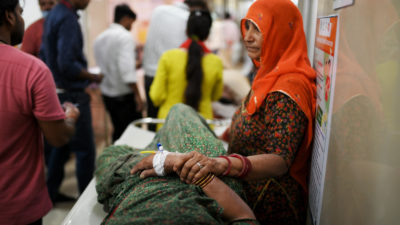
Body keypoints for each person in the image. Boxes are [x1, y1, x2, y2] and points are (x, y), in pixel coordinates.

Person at [131, 0, 317, 224]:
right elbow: (249, 120)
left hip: (265, 201)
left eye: (258, 29)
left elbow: (280, 161)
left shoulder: (288, 88)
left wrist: (221, 163)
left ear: (280, 32)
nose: (247, 36)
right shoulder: (267, 77)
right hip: (237, 177)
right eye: (246, 27)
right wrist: (213, 141)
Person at [96, 104, 258, 225]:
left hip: (137, 179)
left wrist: (170, 161)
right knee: (180, 111)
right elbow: (243, 216)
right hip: (212, 184)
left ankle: (155, 146)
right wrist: (196, 173)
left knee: (109, 155)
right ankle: (157, 146)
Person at [0, 1, 79, 224]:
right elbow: (58, 137)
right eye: (20, 13)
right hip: (17, 208)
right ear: (9, 17)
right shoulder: (31, 70)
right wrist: (70, 119)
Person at [41, 0, 102, 203]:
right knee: (84, 150)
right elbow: (66, 64)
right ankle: (86, 203)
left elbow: (49, 55)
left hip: (58, 91)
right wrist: (92, 77)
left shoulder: (54, 15)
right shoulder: (67, 19)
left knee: (62, 145)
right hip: (72, 95)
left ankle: (49, 195)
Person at [149, 10, 223, 130]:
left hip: (169, 126)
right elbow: (215, 96)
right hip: (203, 128)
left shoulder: (168, 57)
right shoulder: (216, 62)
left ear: (186, 31)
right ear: (207, 34)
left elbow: (156, 96)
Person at [142, 0, 207, 131]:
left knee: (153, 121)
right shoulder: (187, 19)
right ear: (197, 8)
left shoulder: (158, 10)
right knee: (175, 122)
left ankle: (154, 150)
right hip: (171, 74)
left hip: (149, 73)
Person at [94, 4, 143, 142]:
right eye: (131, 23)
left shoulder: (100, 38)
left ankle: (115, 161)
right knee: (132, 135)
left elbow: (111, 63)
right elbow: (127, 72)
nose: (131, 27)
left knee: (118, 131)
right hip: (124, 97)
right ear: (126, 19)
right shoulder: (125, 37)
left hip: (107, 94)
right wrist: (138, 96)